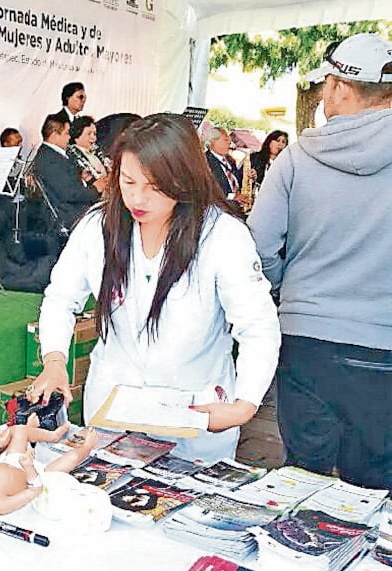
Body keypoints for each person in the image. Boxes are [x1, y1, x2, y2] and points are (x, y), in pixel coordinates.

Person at [30, 113, 281, 462]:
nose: (138, 199)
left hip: (194, 413)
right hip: (113, 409)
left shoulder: (222, 236)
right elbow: (60, 299)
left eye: (155, 186)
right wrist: (55, 360)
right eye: (128, 182)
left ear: (184, 178)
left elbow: (257, 326)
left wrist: (245, 403)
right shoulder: (97, 228)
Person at [249, 33, 392, 492]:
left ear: (341, 89)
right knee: (374, 486)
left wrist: (289, 290)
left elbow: (260, 248)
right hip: (383, 346)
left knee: (301, 483)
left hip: (306, 342)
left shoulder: (296, 157)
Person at [33, 112, 104, 232]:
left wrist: (81, 178)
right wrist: (96, 189)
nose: (69, 138)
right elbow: (69, 194)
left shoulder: (51, 154)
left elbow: (65, 184)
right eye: (66, 134)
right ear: (54, 135)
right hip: (69, 215)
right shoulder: (50, 159)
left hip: (71, 210)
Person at [204, 126, 249, 210]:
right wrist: (232, 196)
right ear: (213, 142)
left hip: (235, 208)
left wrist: (248, 175)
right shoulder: (205, 161)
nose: (229, 142)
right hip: (219, 209)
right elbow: (209, 189)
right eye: (225, 140)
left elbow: (236, 180)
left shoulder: (230, 160)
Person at [67, 115, 111, 187]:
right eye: (89, 134)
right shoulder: (72, 157)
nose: (94, 138)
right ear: (77, 135)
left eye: (94, 134)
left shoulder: (97, 153)